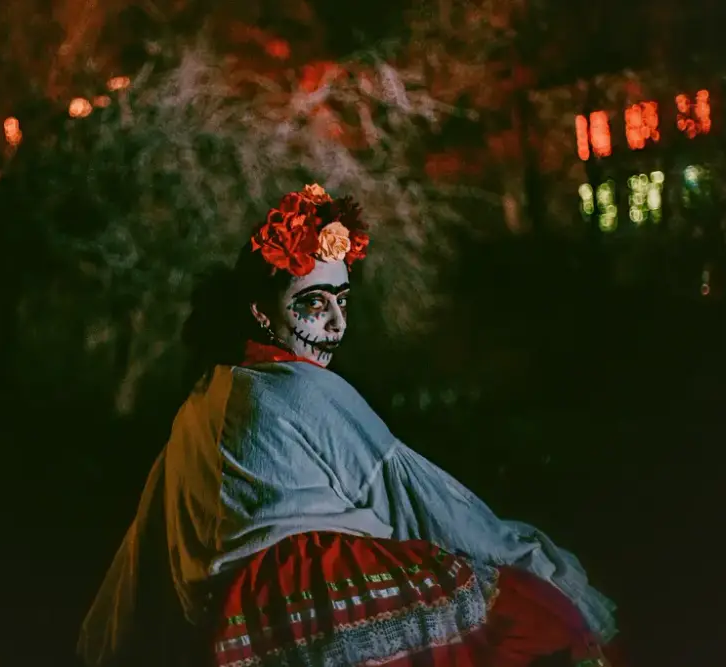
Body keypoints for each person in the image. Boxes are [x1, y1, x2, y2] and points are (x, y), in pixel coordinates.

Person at [77, 185, 620, 667]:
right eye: (314, 303)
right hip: (309, 603)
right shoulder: (301, 387)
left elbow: (149, 540)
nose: (337, 322)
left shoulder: (203, 396)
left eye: (342, 300)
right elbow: (416, 497)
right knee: (531, 618)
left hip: (229, 628)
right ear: (262, 311)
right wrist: (535, 565)